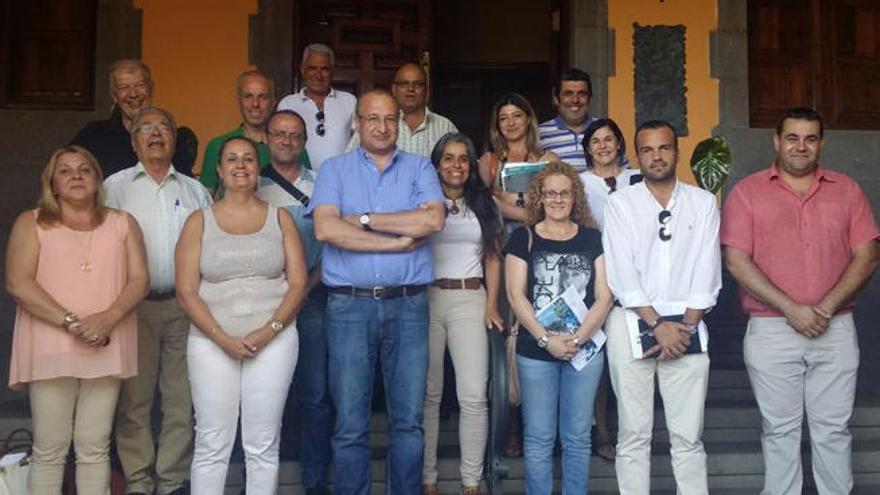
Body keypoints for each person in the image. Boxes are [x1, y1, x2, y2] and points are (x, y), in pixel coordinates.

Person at [721, 107, 879, 495]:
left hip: (835, 327)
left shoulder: (847, 190)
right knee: (779, 430)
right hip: (771, 328)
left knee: (833, 430)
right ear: (777, 141)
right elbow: (736, 260)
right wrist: (792, 309)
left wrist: (823, 309)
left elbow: (868, 254)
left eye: (810, 138)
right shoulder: (747, 193)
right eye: (792, 137)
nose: (801, 146)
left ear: (821, 143)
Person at [309, 89, 445, 495]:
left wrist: (365, 220)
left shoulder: (421, 168)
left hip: (408, 305)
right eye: (372, 118)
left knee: (408, 420)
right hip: (349, 306)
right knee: (350, 421)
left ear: (399, 123)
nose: (382, 127)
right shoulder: (334, 170)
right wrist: (395, 239)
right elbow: (326, 229)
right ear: (357, 123)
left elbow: (432, 221)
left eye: (390, 119)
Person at [6, 145, 148, 494]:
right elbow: (18, 282)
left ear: (98, 179)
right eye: (65, 170)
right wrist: (72, 322)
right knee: (50, 447)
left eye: (85, 169)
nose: (76, 176)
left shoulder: (122, 223)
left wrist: (107, 319)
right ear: (52, 182)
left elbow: (139, 279)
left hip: (106, 341)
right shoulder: (33, 222)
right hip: (50, 345)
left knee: (94, 446)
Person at [175, 136, 308, 494]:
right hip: (210, 342)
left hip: (274, 341)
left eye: (248, 159)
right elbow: (186, 292)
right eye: (231, 159)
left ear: (257, 169)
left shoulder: (280, 218)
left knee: (262, 442)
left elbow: (297, 284)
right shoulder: (198, 221)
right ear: (218, 169)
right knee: (212, 442)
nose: (240, 165)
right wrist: (222, 338)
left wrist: (269, 330)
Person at [602, 120, 722, 494]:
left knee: (688, 436)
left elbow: (707, 269)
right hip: (632, 320)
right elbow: (621, 272)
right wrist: (657, 324)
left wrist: (683, 328)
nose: (656, 156)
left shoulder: (702, 203)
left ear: (677, 151)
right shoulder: (620, 203)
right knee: (633, 433)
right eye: (648, 149)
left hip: (688, 323)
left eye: (664, 147)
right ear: (637, 156)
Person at [104, 107, 213, 495]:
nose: (154, 134)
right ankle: (137, 482)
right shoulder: (112, 188)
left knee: (180, 402)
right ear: (133, 141)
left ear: (174, 138)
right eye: (145, 128)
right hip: (133, 309)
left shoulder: (194, 189)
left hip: (184, 308)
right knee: (134, 401)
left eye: (163, 127)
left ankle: (171, 481)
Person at [504, 161, 613, 494]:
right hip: (535, 351)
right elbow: (515, 295)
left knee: (578, 437)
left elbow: (604, 297)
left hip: (584, 351)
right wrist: (545, 340)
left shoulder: (594, 239)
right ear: (539, 197)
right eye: (550, 193)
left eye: (564, 193)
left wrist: (578, 339)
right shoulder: (523, 238)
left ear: (575, 197)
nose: (557, 199)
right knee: (538, 438)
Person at [421, 133, 502, 495]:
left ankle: (471, 480)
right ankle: (428, 477)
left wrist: (491, 304)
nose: (456, 165)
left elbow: (493, 256)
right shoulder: (421, 200)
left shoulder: (484, 204)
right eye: (448, 158)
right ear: (436, 164)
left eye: (463, 159)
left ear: (471, 166)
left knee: (473, 393)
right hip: (427, 297)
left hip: (470, 296)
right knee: (429, 392)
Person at [256, 109, 332, 494]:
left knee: (316, 393)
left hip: (313, 302)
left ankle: (315, 480)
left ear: (304, 143)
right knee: (260, 392)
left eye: (294, 136)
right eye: (279, 134)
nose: (287, 141)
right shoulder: (247, 185)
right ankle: (257, 476)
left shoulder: (323, 185)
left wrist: (304, 292)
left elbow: (333, 246)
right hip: (261, 305)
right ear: (267, 138)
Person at [71, 59, 198, 177]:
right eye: (123, 87)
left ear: (151, 88)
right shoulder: (93, 136)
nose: (133, 94)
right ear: (114, 95)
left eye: (140, 85)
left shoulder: (177, 138)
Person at [479, 92, 558, 224]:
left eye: (517, 115)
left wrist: (507, 199)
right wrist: (525, 214)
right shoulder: (489, 161)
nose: (510, 123)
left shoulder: (550, 160)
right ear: (498, 125)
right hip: (502, 239)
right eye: (503, 118)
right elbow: (481, 202)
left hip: (544, 237)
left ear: (528, 120)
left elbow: (559, 200)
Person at [348, 63, 458, 157]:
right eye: (404, 84)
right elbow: (348, 163)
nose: (411, 89)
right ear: (394, 90)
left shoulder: (445, 127)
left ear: (426, 90)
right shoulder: (371, 126)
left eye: (417, 84)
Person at [277, 43, 356, 171]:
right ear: (302, 69)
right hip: (299, 182)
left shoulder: (350, 101)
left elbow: (361, 141)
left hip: (341, 181)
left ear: (333, 71)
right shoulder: (287, 104)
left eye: (324, 69)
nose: (318, 75)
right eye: (312, 68)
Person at [199, 71, 275, 194]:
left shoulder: (290, 147)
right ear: (238, 100)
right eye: (248, 96)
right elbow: (205, 200)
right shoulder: (218, 145)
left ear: (273, 102)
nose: (255, 104)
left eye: (263, 97)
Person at [580, 118, 641, 230]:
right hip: (596, 246)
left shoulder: (638, 177)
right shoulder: (579, 183)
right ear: (588, 149)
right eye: (595, 141)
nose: (602, 146)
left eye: (608, 139)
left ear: (618, 144)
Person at [537, 68, 596, 173]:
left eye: (582, 94)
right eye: (568, 94)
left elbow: (621, 172)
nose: (575, 100)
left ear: (590, 99)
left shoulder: (604, 130)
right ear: (555, 98)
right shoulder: (539, 134)